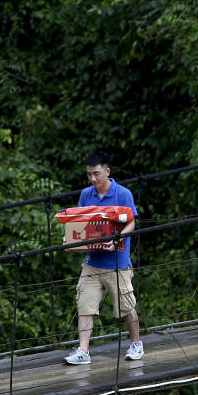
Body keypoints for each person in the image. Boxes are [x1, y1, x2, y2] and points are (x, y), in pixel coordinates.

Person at [63, 150, 144, 365]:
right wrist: (71, 240)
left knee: (126, 306)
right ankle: (83, 350)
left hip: (117, 263)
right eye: (89, 174)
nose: (93, 179)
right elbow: (80, 224)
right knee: (85, 304)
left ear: (107, 171)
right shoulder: (86, 194)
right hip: (92, 262)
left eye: (96, 174)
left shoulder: (123, 193)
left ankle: (136, 344)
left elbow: (131, 222)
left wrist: (118, 239)